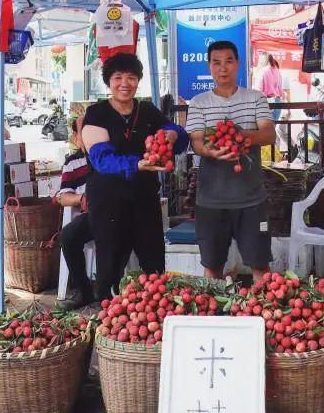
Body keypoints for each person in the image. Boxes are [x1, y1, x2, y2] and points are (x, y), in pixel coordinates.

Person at [80, 53, 188, 299]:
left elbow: (177, 134)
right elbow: (102, 160)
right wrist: (138, 164)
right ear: (109, 82)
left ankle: (155, 315)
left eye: (131, 77)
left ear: (138, 80)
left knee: (154, 264)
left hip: (144, 199)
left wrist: (172, 134)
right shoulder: (97, 113)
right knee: (110, 264)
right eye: (118, 78)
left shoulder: (147, 110)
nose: (124, 83)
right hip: (108, 202)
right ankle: (108, 317)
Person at [187, 41, 277, 280]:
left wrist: (239, 135)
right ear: (209, 67)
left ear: (237, 64)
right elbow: (196, 142)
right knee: (212, 267)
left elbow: (268, 134)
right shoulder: (198, 103)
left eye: (229, 61)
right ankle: (212, 313)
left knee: (260, 265)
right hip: (211, 200)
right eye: (216, 62)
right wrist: (211, 150)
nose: (223, 68)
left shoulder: (256, 98)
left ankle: (265, 312)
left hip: (251, 199)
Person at [56, 116, 94, 308]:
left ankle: (112, 288)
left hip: (115, 213)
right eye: (81, 132)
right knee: (68, 236)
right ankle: (82, 290)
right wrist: (80, 199)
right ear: (75, 137)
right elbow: (62, 197)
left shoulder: (108, 155)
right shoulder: (72, 162)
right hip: (90, 216)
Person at [256, 52, 288, 120]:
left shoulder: (262, 71)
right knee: (273, 126)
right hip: (277, 101)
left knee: (264, 127)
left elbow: (258, 90)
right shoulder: (277, 71)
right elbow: (280, 88)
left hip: (266, 102)